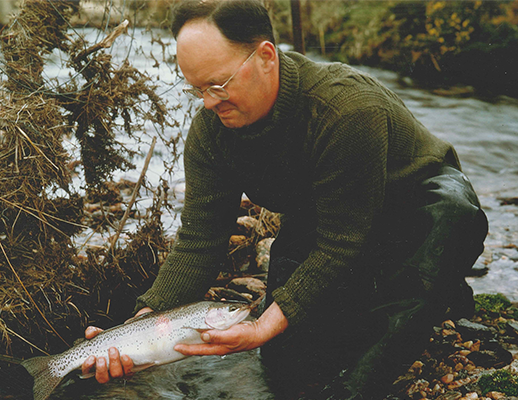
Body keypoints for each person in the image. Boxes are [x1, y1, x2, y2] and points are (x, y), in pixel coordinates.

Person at [81, 0, 489, 398]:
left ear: (265, 56)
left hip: (419, 207)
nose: (208, 102)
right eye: (197, 89)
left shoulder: (343, 107)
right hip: (328, 220)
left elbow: (342, 242)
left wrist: (262, 326)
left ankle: (434, 290)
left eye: (219, 85)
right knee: (290, 364)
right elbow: (199, 242)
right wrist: (142, 326)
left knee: (440, 240)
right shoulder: (211, 132)